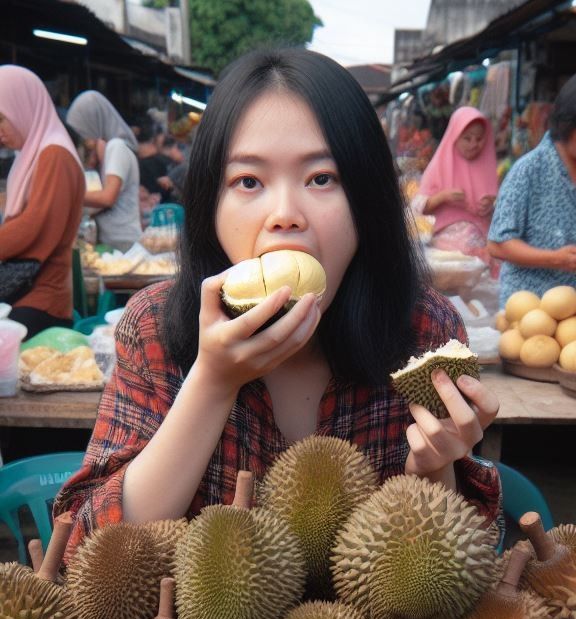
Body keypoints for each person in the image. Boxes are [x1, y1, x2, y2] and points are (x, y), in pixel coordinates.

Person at [54, 48, 501, 558]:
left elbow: (458, 571)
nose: (285, 214)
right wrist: (212, 381)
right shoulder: (153, 326)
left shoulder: (426, 332)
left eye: (322, 179)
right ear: (210, 206)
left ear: (367, 202)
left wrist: (436, 468)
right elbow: (81, 554)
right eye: (248, 182)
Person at [0, 65, 85, 335]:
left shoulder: (55, 155)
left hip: (42, 300)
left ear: (22, 106)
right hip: (26, 292)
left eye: (1, 118)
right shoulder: (33, 155)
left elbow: (34, 227)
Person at [488, 74, 576, 303]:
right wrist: (555, 259)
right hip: (529, 307)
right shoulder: (528, 169)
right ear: (569, 124)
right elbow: (498, 244)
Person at [413, 107, 498, 259]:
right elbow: (418, 208)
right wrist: (443, 197)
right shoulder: (439, 166)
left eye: (479, 139)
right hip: (448, 256)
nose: (474, 144)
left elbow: (497, 211)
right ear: (455, 136)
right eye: (467, 138)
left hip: (482, 254)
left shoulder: (487, 166)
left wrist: (488, 206)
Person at [66, 91, 141, 251]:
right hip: (114, 241)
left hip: (122, 243)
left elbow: (107, 197)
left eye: (84, 130)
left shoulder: (117, 147)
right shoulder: (109, 150)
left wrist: (67, 195)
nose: (86, 139)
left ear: (94, 122)